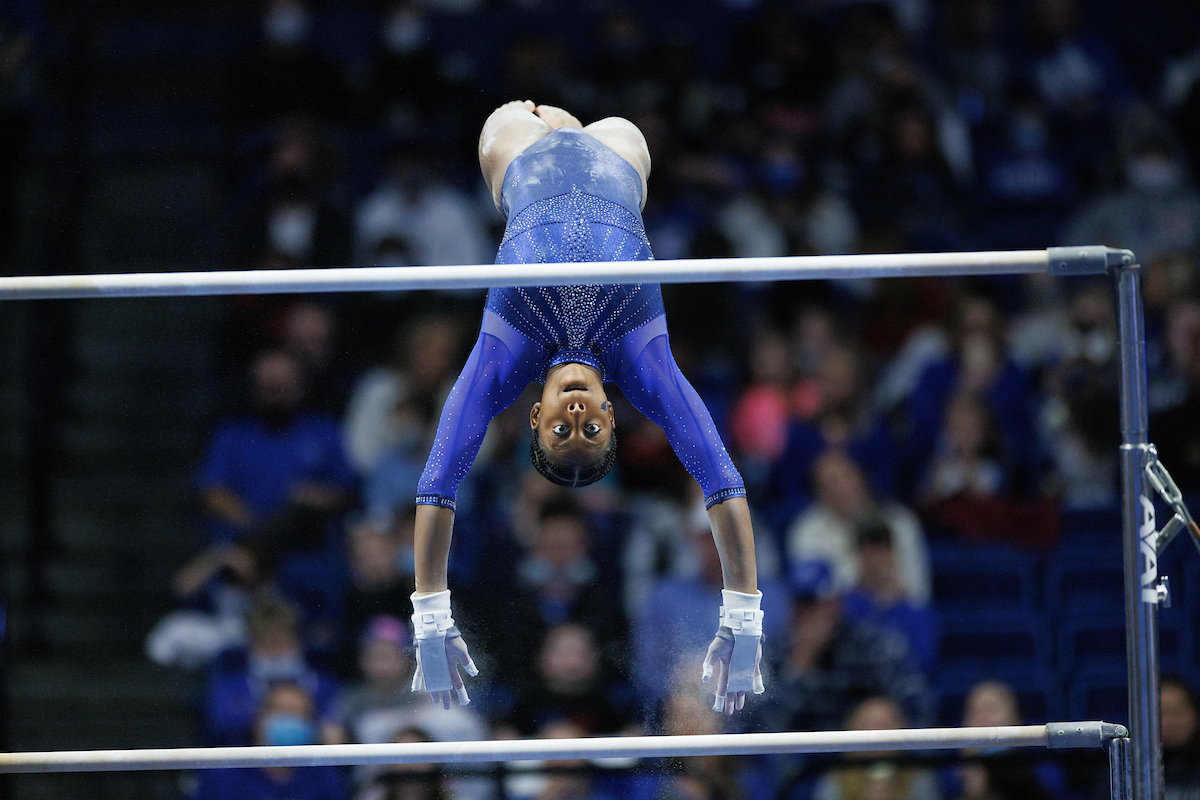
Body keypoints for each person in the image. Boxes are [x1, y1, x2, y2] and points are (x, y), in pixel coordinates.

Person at [410, 100, 763, 716]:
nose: (575, 413)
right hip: (620, 158)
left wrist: (430, 612)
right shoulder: (642, 364)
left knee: (508, 124)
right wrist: (744, 609)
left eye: (561, 427)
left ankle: (554, 123)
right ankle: (570, 126)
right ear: (610, 408)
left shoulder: (505, 356)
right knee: (621, 136)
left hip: (522, 160)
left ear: (532, 417)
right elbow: (721, 480)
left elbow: (438, 484)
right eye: (591, 427)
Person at [195, 683, 347, 800]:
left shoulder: (322, 774)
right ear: (258, 719)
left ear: (310, 725)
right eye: (280, 710)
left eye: (298, 712)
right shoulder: (225, 771)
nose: (289, 717)